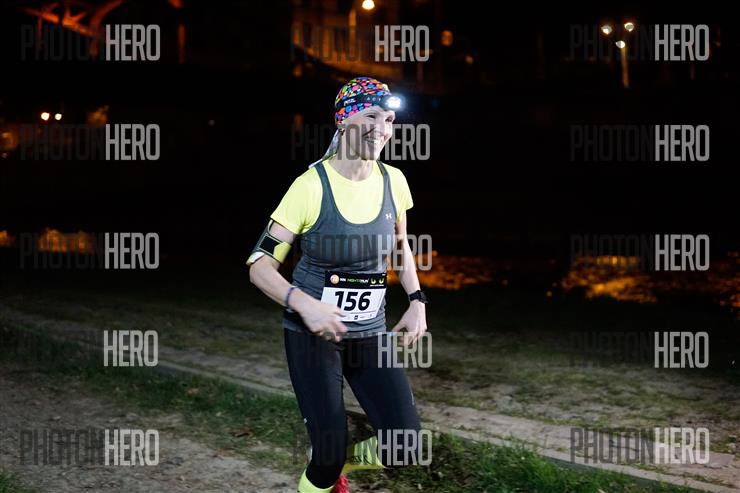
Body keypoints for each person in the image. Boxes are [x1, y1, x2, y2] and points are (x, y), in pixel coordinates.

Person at [247, 76, 428, 493]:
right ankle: (329, 468)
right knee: (326, 458)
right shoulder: (310, 186)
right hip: (313, 336)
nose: (381, 129)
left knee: (405, 446)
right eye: (371, 117)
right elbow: (259, 265)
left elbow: (400, 246)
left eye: (389, 120)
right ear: (344, 121)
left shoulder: (394, 181)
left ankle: (341, 466)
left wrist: (417, 300)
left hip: (370, 333)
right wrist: (304, 304)